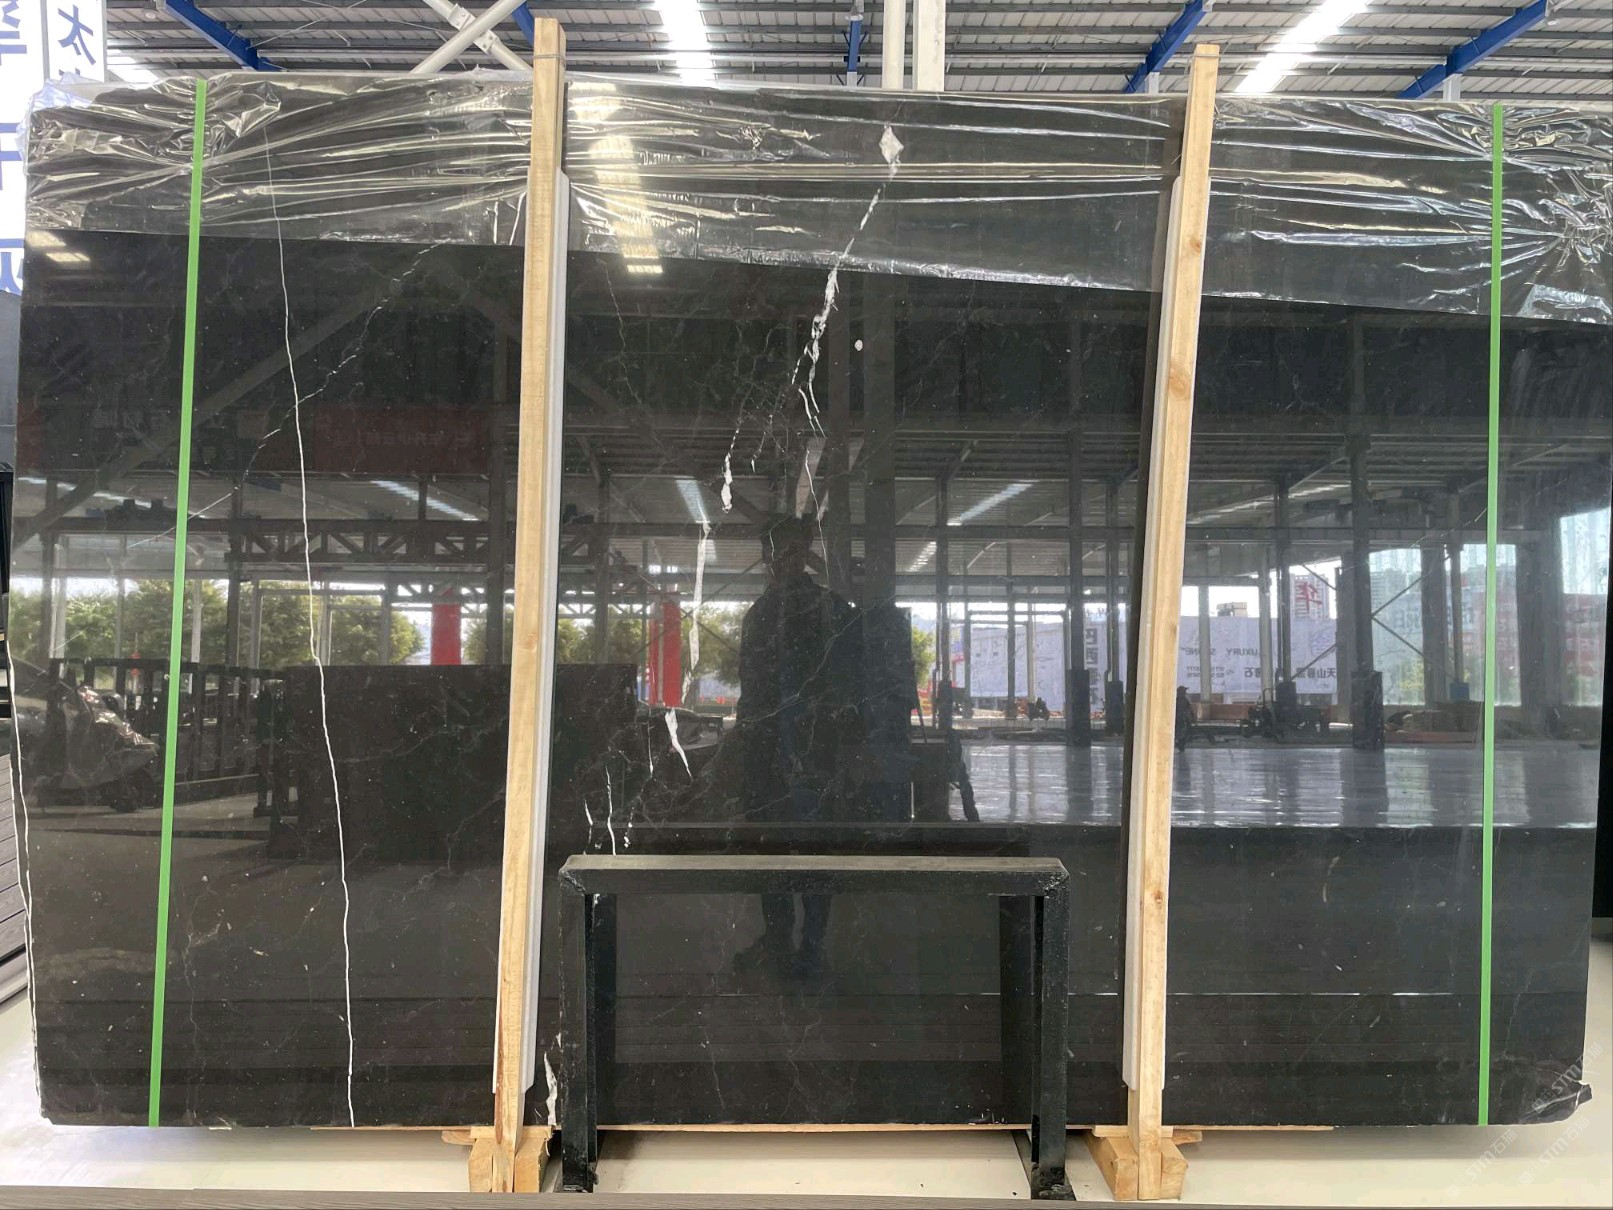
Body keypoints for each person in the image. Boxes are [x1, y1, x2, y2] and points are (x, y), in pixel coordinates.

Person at [732, 514, 865, 981]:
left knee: (796, 848)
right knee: (794, 849)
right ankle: (796, 944)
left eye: (788, 550)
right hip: (796, 753)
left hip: (797, 753)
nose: (782, 560)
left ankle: (799, 945)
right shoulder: (816, 610)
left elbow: (847, 690)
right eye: (778, 551)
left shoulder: (780, 613)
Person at [1175, 685, 1196, 752]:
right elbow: (1189, 709)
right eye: (1184, 691)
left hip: (1181, 718)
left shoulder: (1177, 700)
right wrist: (1192, 717)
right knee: (1185, 732)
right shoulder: (1184, 700)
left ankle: (1180, 743)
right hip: (1182, 719)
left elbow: (1189, 709)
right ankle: (1180, 744)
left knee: (1182, 733)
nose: (1185, 692)